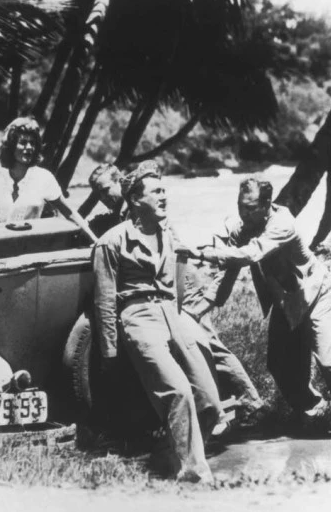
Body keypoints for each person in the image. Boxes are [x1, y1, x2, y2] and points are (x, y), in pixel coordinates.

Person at [88, 164, 263, 415]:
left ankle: (249, 399)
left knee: (206, 343)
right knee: (194, 348)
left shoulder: (143, 211)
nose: (104, 197)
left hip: (180, 282)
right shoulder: (123, 215)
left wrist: (181, 298)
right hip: (167, 287)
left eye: (106, 190)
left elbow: (173, 255)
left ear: (120, 183)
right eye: (98, 194)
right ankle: (219, 405)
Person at [92, 161, 224, 483]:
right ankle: (193, 473)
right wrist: (109, 351)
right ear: (136, 199)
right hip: (138, 318)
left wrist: (183, 319)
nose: (164, 196)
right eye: (156, 191)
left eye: (165, 190)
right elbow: (104, 300)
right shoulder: (111, 241)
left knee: (209, 399)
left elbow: (176, 284)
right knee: (178, 392)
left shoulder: (168, 235)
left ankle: (168, 454)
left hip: (171, 315)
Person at [180, 177, 331, 425]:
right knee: (278, 364)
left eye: (250, 208)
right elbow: (226, 277)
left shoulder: (282, 224)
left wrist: (204, 254)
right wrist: (197, 310)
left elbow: (251, 253)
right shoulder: (241, 229)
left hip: (316, 294)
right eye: (240, 206)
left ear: (266, 204)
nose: (244, 213)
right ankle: (311, 409)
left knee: (329, 362)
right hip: (287, 301)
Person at [0, 117, 96, 241]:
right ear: (11, 146)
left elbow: (70, 213)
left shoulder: (44, 178)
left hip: (28, 248)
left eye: (32, 143)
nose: (29, 148)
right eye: (23, 142)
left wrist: (94, 240)